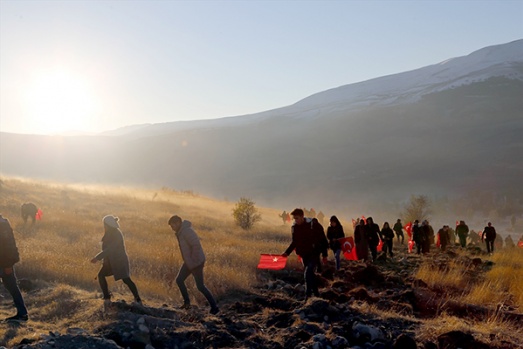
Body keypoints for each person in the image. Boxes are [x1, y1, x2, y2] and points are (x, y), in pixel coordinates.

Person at [168, 215, 219, 314]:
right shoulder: (181, 232)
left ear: (178, 223)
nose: (172, 228)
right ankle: (187, 304)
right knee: (179, 280)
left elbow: (196, 245)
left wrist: (194, 261)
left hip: (196, 262)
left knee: (200, 286)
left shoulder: (187, 231)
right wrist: (189, 261)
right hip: (189, 262)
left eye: (172, 225)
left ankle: (215, 307)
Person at [91, 215, 142, 310]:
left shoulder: (116, 234)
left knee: (126, 279)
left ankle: (138, 299)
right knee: (101, 275)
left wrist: (97, 257)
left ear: (107, 225)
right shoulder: (110, 232)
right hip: (111, 261)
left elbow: (109, 250)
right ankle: (106, 297)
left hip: (119, 261)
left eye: (104, 224)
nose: (103, 226)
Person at [282, 208, 328, 301]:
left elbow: (323, 239)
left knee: (307, 273)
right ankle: (316, 294)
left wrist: (324, 255)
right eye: (294, 219)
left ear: (302, 216)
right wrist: (287, 252)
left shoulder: (313, 225)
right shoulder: (295, 227)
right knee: (311, 274)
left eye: (297, 218)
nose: (295, 220)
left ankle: (307, 297)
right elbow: (294, 242)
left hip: (314, 253)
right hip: (303, 254)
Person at [0, 214, 29, 322]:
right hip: (4, 263)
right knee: (13, 287)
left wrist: (8, 265)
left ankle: (22, 314)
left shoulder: (2, 225)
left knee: (12, 287)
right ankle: (22, 313)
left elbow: (9, 246)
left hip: (4, 263)